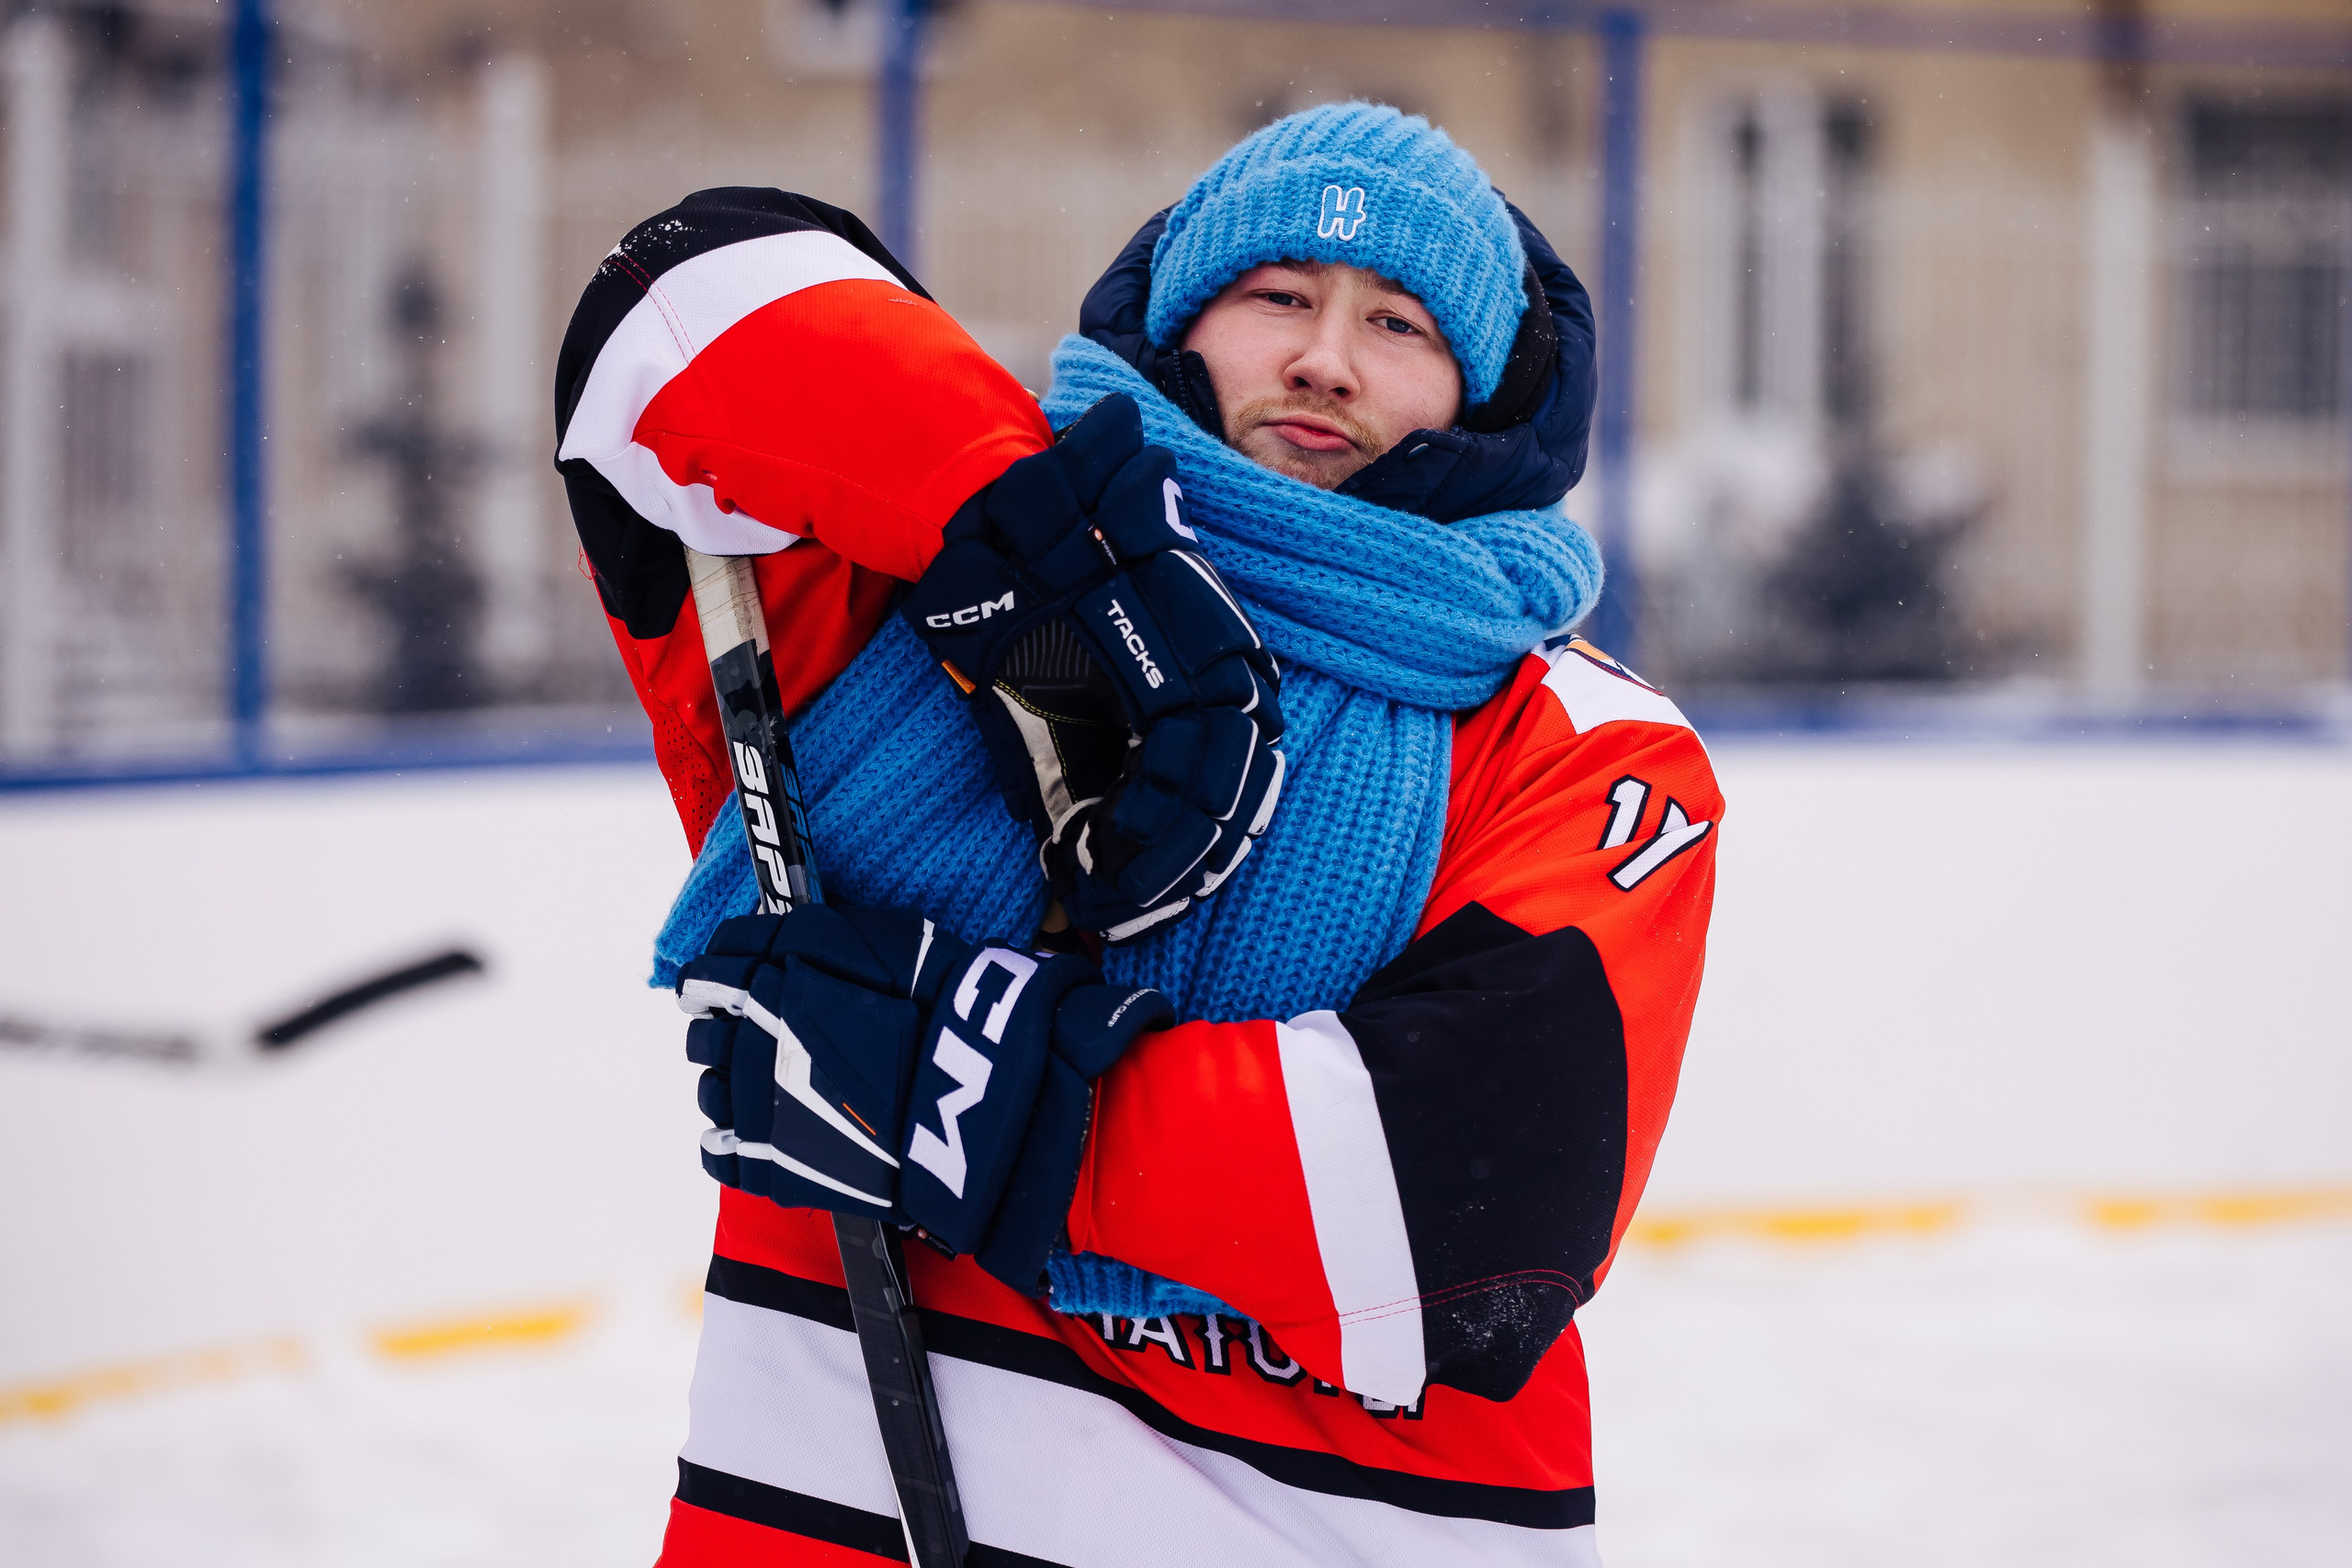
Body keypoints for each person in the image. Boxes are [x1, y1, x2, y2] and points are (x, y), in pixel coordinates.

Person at [556, 102, 1721, 1567]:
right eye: (1276, 297)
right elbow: (668, 302)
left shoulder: (1580, 742)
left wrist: (953, 1081)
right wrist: (1047, 572)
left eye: (1401, 325)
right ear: (1178, 324)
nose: (1323, 358)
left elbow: (1471, 1208)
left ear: (1478, 399)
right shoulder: (916, 620)